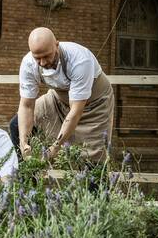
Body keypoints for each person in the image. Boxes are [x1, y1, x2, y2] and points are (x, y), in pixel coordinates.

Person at [10, 27, 114, 161]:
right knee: (16, 125)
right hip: (58, 99)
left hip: (95, 105)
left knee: (93, 162)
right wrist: (23, 143)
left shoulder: (79, 59)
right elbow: (27, 105)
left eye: (46, 56)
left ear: (56, 45)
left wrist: (56, 147)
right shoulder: (28, 64)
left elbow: (76, 110)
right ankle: (27, 179)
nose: (43, 62)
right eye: (38, 58)